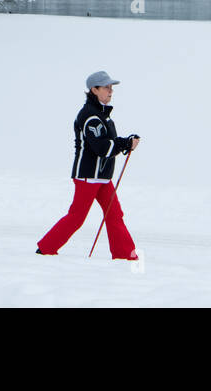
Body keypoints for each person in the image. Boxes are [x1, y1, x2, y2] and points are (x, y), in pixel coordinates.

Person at [36, 70, 140, 259]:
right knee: (77, 217)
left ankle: (125, 255)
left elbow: (109, 144)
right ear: (94, 89)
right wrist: (125, 143)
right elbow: (103, 148)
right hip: (87, 177)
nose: (111, 91)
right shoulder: (90, 116)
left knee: (114, 215)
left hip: (101, 177)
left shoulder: (102, 115)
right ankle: (45, 248)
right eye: (106, 87)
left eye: (111, 87)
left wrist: (125, 142)